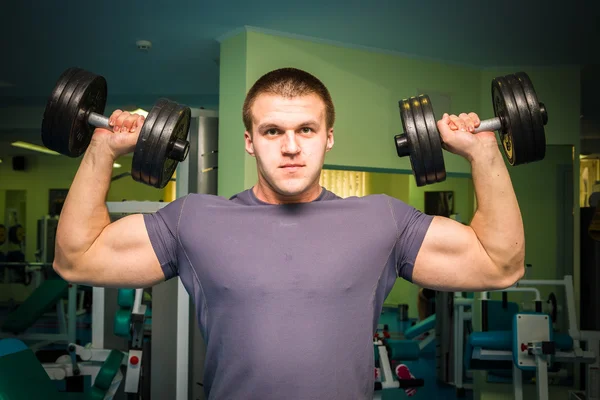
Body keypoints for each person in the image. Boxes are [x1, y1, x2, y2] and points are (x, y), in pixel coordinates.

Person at [53, 67, 525, 399]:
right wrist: (101, 148)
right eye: (273, 131)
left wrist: (483, 150)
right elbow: (77, 258)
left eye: (307, 129)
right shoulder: (194, 220)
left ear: (329, 137)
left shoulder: (382, 220)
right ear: (249, 141)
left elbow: (499, 264)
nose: (292, 147)